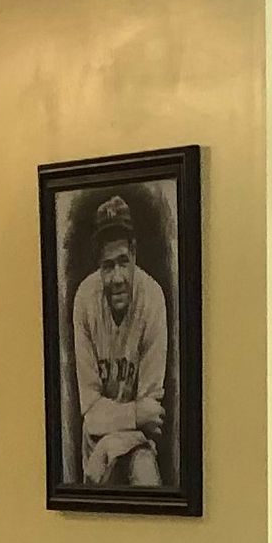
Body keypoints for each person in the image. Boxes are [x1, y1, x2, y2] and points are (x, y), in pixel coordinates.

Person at [69, 191, 170, 491]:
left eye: (123, 262)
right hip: (96, 447)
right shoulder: (85, 300)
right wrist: (135, 415)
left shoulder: (152, 299)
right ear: (98, 266)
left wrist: (111, 437)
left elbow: (154, 415)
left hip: (139, 445)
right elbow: (92, 415)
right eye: (108, 265)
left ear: (134, 254)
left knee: (145, 474)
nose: (116, 278)